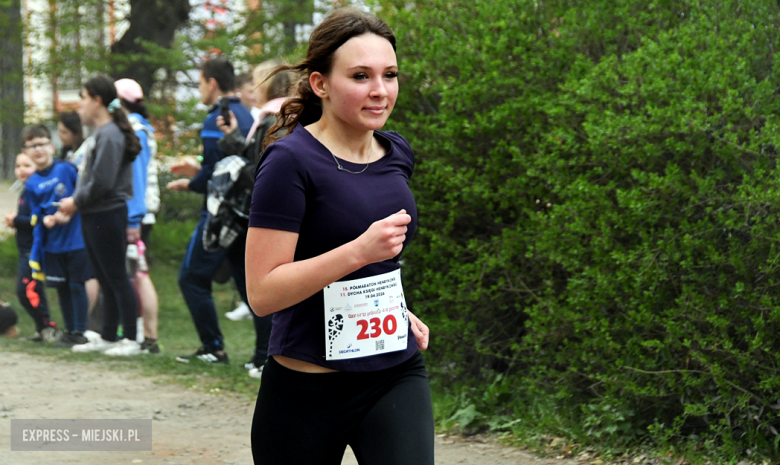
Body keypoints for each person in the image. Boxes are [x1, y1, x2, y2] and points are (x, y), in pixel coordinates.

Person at [245, 8, 433, 464]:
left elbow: (378, 259)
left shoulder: (396, 151)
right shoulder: (290, 162)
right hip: (307, 386)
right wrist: (355, 252)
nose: (380, 90)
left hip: (394, 372)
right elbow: (263, 293)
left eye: (390, 75)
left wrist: (391, 308)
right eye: (361, 76)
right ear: (320, 84)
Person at [167, 57, 254, 364]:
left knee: (191, 277)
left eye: (200, 82)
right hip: (246, 215)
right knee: (250, 285)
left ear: (212, 82)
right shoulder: (247, 114)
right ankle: (265, 354)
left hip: (220, 217)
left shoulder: (215, 118)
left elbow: (213, 176)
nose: (200, 89)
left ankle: (213, 347)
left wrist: (188, 183)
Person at [216, 60, 294, 378]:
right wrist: (235, 138)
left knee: (264, 290)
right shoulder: (288, 114)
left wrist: (234, 162)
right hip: (280, 215)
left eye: (257, 80)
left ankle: (267, 358)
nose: (251, 86)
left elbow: (260, 171)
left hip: (265, 215)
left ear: (268, 85)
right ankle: (266, 356)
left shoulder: (271, 119)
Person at [57, 75, 142, 354]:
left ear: (97, 100)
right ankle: (108, 335)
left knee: (117, 275)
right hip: (94, 214)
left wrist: (75, 201)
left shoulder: (110, 135)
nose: (79, 104)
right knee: (104, 277)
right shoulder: (101, 133)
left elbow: (103, 182)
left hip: (107, 213)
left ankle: (131, 338)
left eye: (82, 97)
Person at [96, 77, 160, 356]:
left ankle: (145, 337)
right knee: (133, 273)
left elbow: (136, 177)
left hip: (136, 216)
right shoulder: (138, 127)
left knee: (137, 274)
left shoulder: (135, 130)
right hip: (137, 213)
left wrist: (133, 219)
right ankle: (139, 335)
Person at [23, 125, 90, 348]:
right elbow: (35, 211)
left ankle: (81, 330)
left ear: (51, 146)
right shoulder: (31, 182)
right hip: (52, 244)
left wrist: (69, 211)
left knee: (77, 285)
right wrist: (45, 219)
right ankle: (70, 330)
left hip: (75, 239)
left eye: (42, 143)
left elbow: (82, 195)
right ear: (26, 151)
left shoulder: (66, 169)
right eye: (32, 146)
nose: (38, 149)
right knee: (61, 288)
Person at [4, 152, 57, 342]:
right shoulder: (25, 191)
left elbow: (43, 219)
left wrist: (16, 220)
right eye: (18, 166)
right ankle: (42, 327)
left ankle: (47, 326)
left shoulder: (37, 191)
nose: (21, 170)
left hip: (34, 251)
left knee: (26, 290)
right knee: (33, 290)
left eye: (27, 166)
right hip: (24, 249)